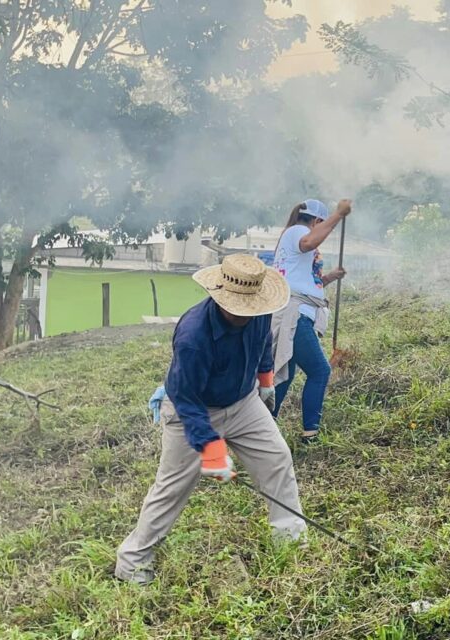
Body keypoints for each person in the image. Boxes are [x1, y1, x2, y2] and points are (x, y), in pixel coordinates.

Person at [116, 254, 305, 585]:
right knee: (172, 488)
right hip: (194, 409)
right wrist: (210, 448)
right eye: (239, 307)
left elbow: (263, 343)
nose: (245, 312)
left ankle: (291, 542)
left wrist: (265, 379)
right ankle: (132, 564)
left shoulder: (259, 310)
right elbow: (185, 397)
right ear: (220, 295)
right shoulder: (194, 336)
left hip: (243, 402)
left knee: (277, 459)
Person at [270, 198, 351, 444]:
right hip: (295, 316)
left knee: (285, 373)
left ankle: (264, 428)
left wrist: (329, 278)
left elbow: (305, 281)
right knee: (320, 370)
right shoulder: (298, 231)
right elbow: (309, 242)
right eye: (322, 225)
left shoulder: (294, 236)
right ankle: (310, 434)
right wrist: (338, 215)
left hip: (295, 312)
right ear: (316, 221)